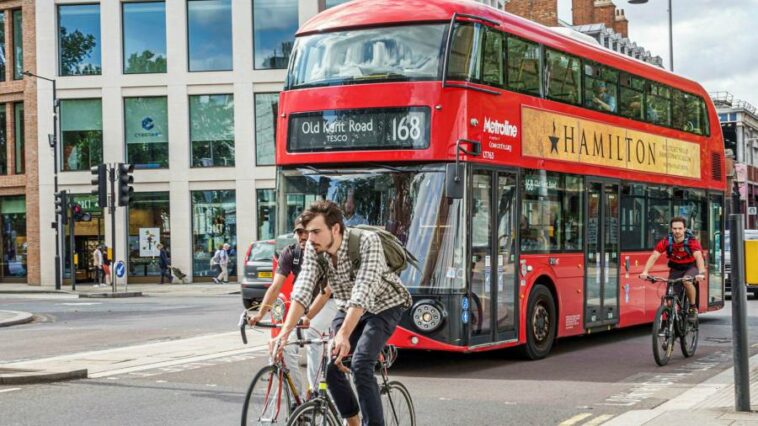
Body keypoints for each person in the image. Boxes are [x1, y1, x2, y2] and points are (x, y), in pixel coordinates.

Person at [271, 200, 412, 426]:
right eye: (308, 232)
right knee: (332, 366)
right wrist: (284, 333)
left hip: (384, 306)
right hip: (348, 306)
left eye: (316, 231)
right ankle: (354, 422)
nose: (311, 238)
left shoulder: (367, 241)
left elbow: (363, 291)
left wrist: (344, 334)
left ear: (335, 228)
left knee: (361, 364)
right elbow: (303, 289)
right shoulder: (313, 249)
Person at [248, 215, 338, 399]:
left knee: (313, 333)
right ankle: (298, 399)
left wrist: (308, 317)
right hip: (305, 303)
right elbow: (275, 287)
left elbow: (325, 293)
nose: (304, 236)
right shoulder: (291, 253)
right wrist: (260, 314)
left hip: (330, 302)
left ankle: (315, 392)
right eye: (299, 232)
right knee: (286, 344)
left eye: (308, 232)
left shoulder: (324, 253)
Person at [640, 216, 706, 320]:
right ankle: (673, 323)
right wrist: (645, 272)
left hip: (691, 267)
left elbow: (699, 257)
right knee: (669, 301)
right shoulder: (667, 241)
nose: (677, 231)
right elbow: (654, 256)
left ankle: (693, 308)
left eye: (680, 228)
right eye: (675, 228)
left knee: (686, 281)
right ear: (671, 229)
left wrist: (701, 273)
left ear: (684, 229)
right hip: (676, 268)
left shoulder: (691, 241)